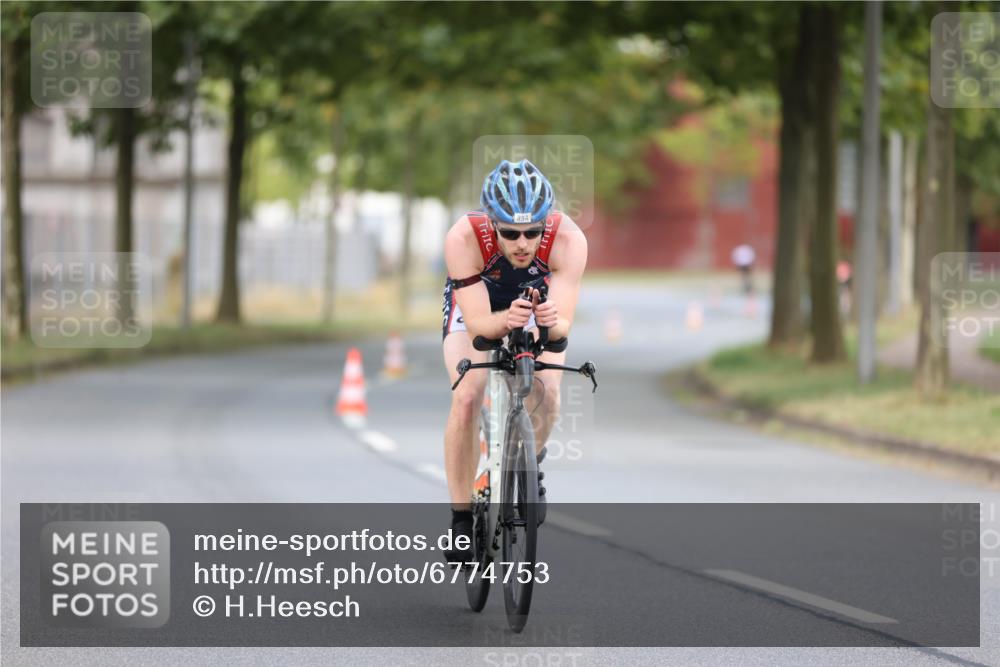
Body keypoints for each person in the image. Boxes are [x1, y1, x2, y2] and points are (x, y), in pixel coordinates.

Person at [440, 159, 588, 562]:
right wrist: (506, 320)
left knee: (548, 391)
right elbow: (480, 330)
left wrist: (549, 324)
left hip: (538, 298)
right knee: (467, 395)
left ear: (547, 223)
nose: (522, 243)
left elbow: (560, 333)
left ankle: (529, 467)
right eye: (510, 233)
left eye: (532, 232)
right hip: (480, 303)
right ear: (492, 225)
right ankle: (461, 520)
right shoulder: (463, 239)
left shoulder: (569, 241)